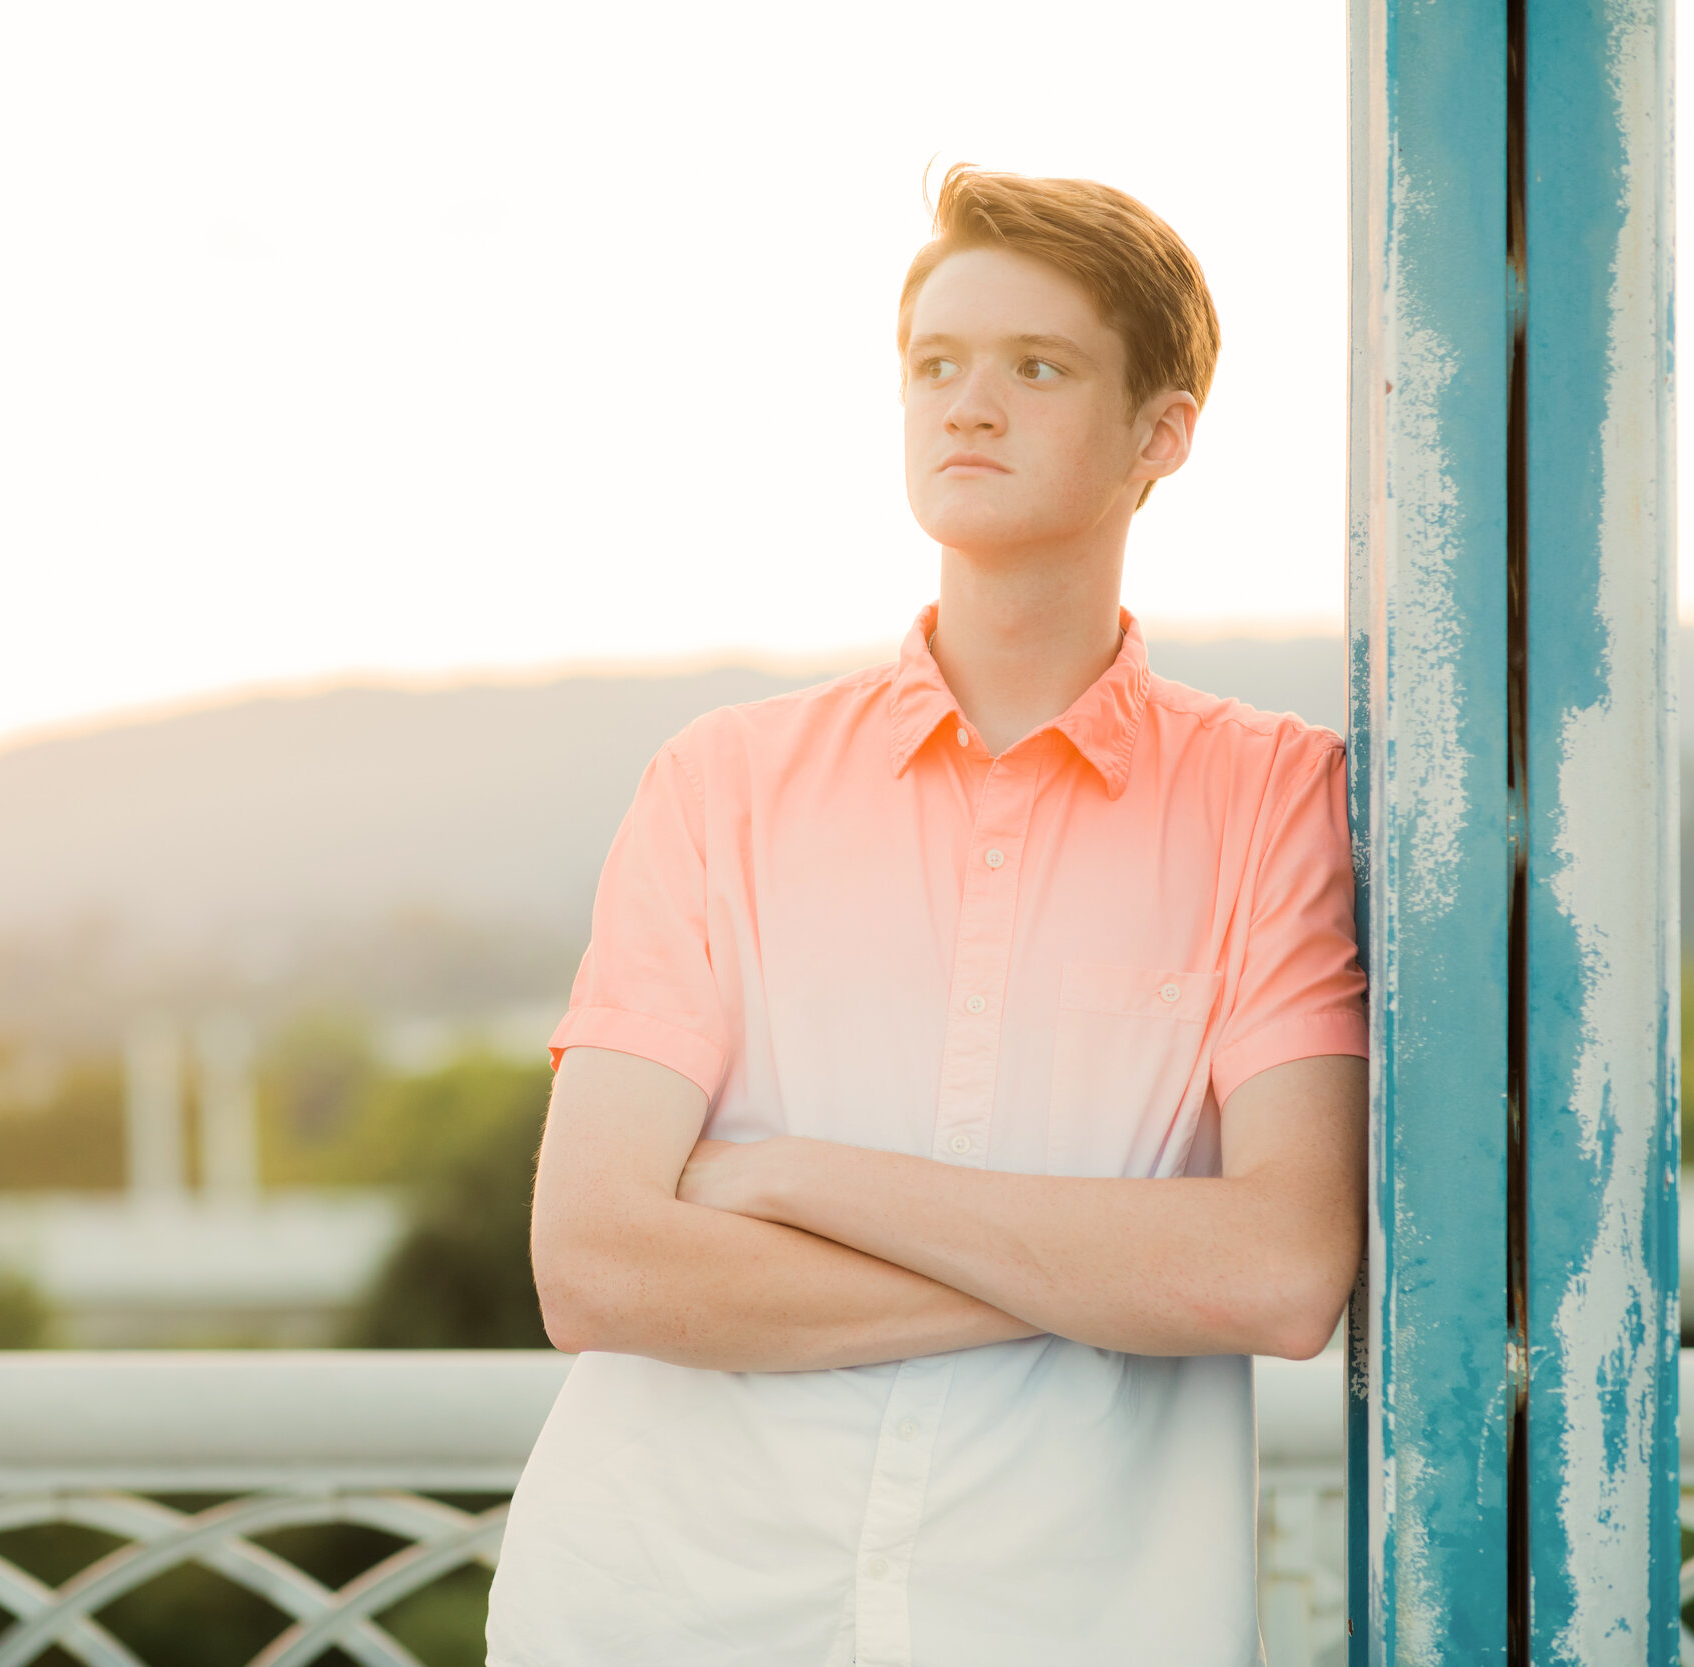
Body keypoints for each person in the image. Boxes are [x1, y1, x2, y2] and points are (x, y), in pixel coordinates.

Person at [485, 166, 1369, 1667]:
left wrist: (797, 1179)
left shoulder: (1272, 800)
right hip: (661, 1613)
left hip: (1069, 1627)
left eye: (1038, 367)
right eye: (936, 365)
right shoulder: (723, 787)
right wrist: (1099, 1280)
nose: (968, 405)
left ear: (1161, 435)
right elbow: (599, 1266)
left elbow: (1278, 1274)